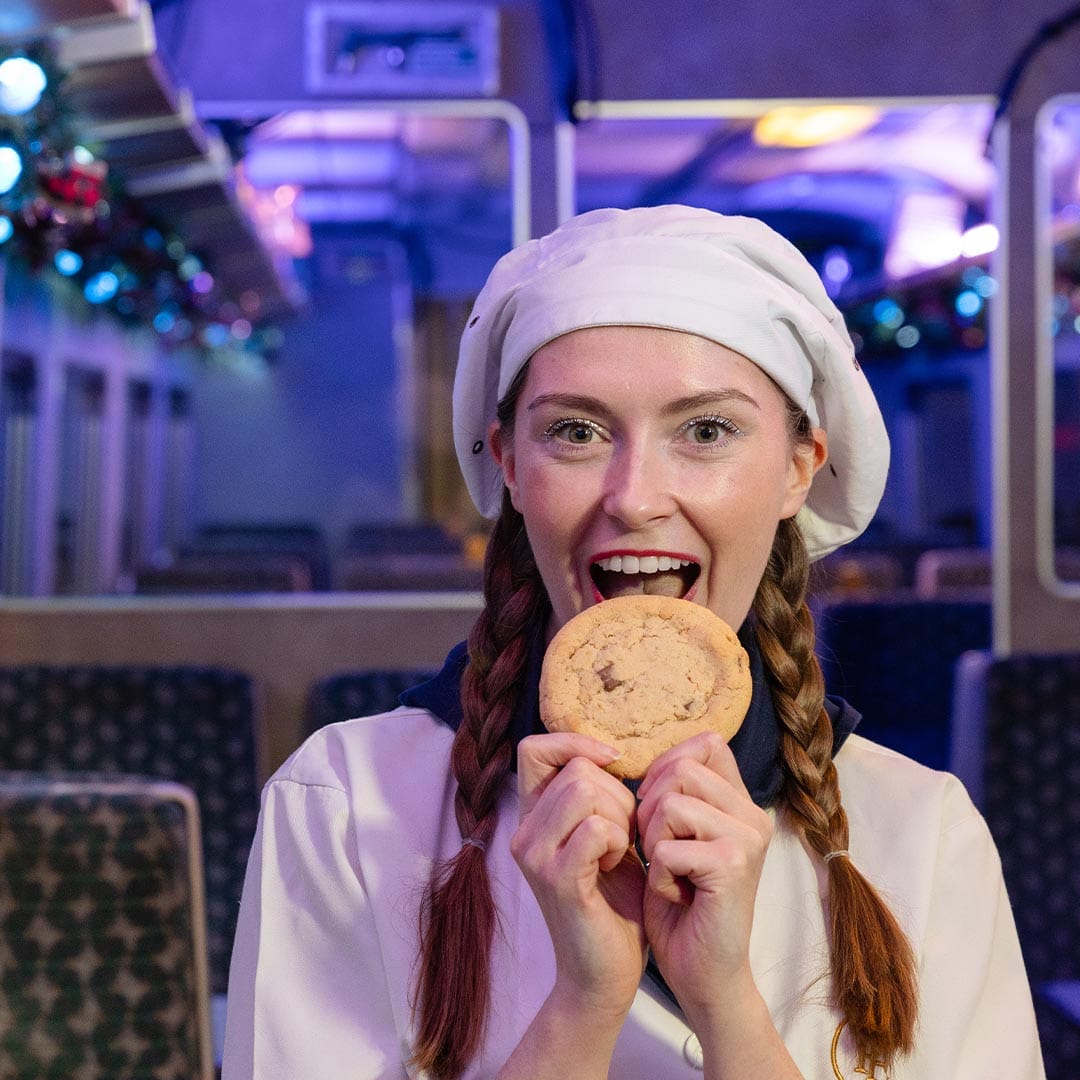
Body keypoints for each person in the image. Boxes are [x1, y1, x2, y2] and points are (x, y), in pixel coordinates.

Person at [222, 206, 1045, 1080]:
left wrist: (727, 1003)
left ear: (800, 467)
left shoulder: (921, 832)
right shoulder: (343, 804)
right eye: (575, 432)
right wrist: (583, 1000)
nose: (635, 497)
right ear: (508, 462)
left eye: (707, 430)